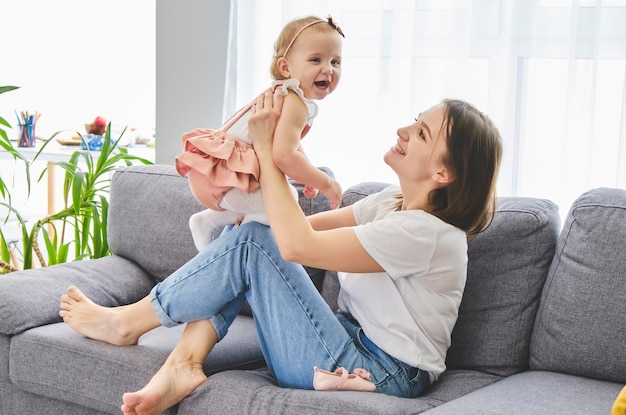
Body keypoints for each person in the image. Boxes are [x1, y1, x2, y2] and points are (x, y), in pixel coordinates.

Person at [59, 90, 503, 415]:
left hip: (381, 375)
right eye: (414, 120)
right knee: (252, 235)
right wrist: (246, 207)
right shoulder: (390, 202)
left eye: (421, 132)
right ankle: (184, 362)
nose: (404, 130)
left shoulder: (428, 234)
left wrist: (269, 152)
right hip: (349, 344)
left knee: (256, 241)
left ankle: (126, 323)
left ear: (443, 171)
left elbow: (294, 245)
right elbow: (297, 228)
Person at [176, 15, 344, 251]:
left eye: (335, 62)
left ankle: (206, 221)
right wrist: (326, 183)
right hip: (226, 177)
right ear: (285, 67)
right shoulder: (294, 101)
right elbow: (284, 156)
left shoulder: (284, 94)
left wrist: (307, 173)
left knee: (272, 202)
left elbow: (292, 144)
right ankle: (233, 240)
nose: (328, 69)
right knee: (286, 205)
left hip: (212, 173)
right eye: (316, 59)